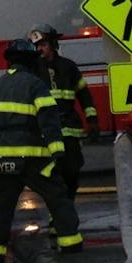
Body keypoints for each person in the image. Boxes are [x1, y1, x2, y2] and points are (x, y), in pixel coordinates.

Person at [0, 38, 81, 263]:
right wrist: (58, 154)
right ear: (32, 62)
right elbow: (49, 122)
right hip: (31, 158)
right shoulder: (36, 85)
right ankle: (71, 246)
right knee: (58, 197)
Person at [31, 26, 93, 195]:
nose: (39, 49)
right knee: (51, 174)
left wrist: (92, 119)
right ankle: (59, 214)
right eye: (36, 46)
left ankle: (65, 210)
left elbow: (84, 94)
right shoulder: (33, 70)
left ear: (52, 44)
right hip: (46, 131)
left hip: (70, 127)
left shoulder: (69, 67)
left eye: (43, 44)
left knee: (72, 173)